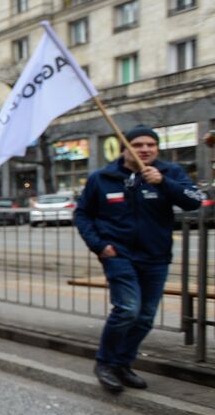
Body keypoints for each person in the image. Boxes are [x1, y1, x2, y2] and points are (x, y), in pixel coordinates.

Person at [74, 126, 203, 393]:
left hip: (155, 257)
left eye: (150, 145)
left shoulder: (170, 173)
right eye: (138, 144)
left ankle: (122, 364)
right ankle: (105, 364)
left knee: (145, 317)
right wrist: (99, 246)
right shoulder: (103, 178)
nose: (145, 149)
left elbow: (194, 201)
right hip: (118, 255)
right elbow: (82, 214)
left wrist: (163, 183)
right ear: (124, 148)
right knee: (127, 309)